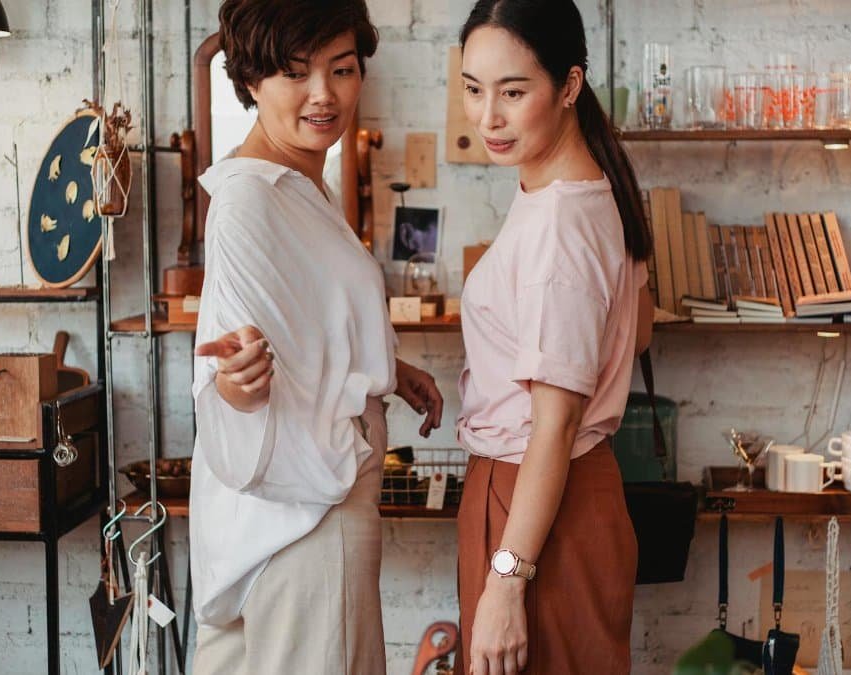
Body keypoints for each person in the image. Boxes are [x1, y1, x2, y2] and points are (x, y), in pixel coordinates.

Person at [187, 1, 443, 673]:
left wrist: (386, 362)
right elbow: (233, 369)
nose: (324, 95)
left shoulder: (299, 185)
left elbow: (305, 326)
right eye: (296, 73)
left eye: (343, 69)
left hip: (284, 519)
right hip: (307, 516)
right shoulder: (252, 200)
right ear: (250, 81)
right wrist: (238, 389)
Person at [454, 0, 655, 673]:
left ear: (569, 86)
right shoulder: (587, 187)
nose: (489, 117)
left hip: (535, 503)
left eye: (514, 92)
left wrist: (507, 579)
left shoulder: (560, 225)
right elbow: (641, 329)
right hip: (570, 495)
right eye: (473, 90)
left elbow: (554, 425)